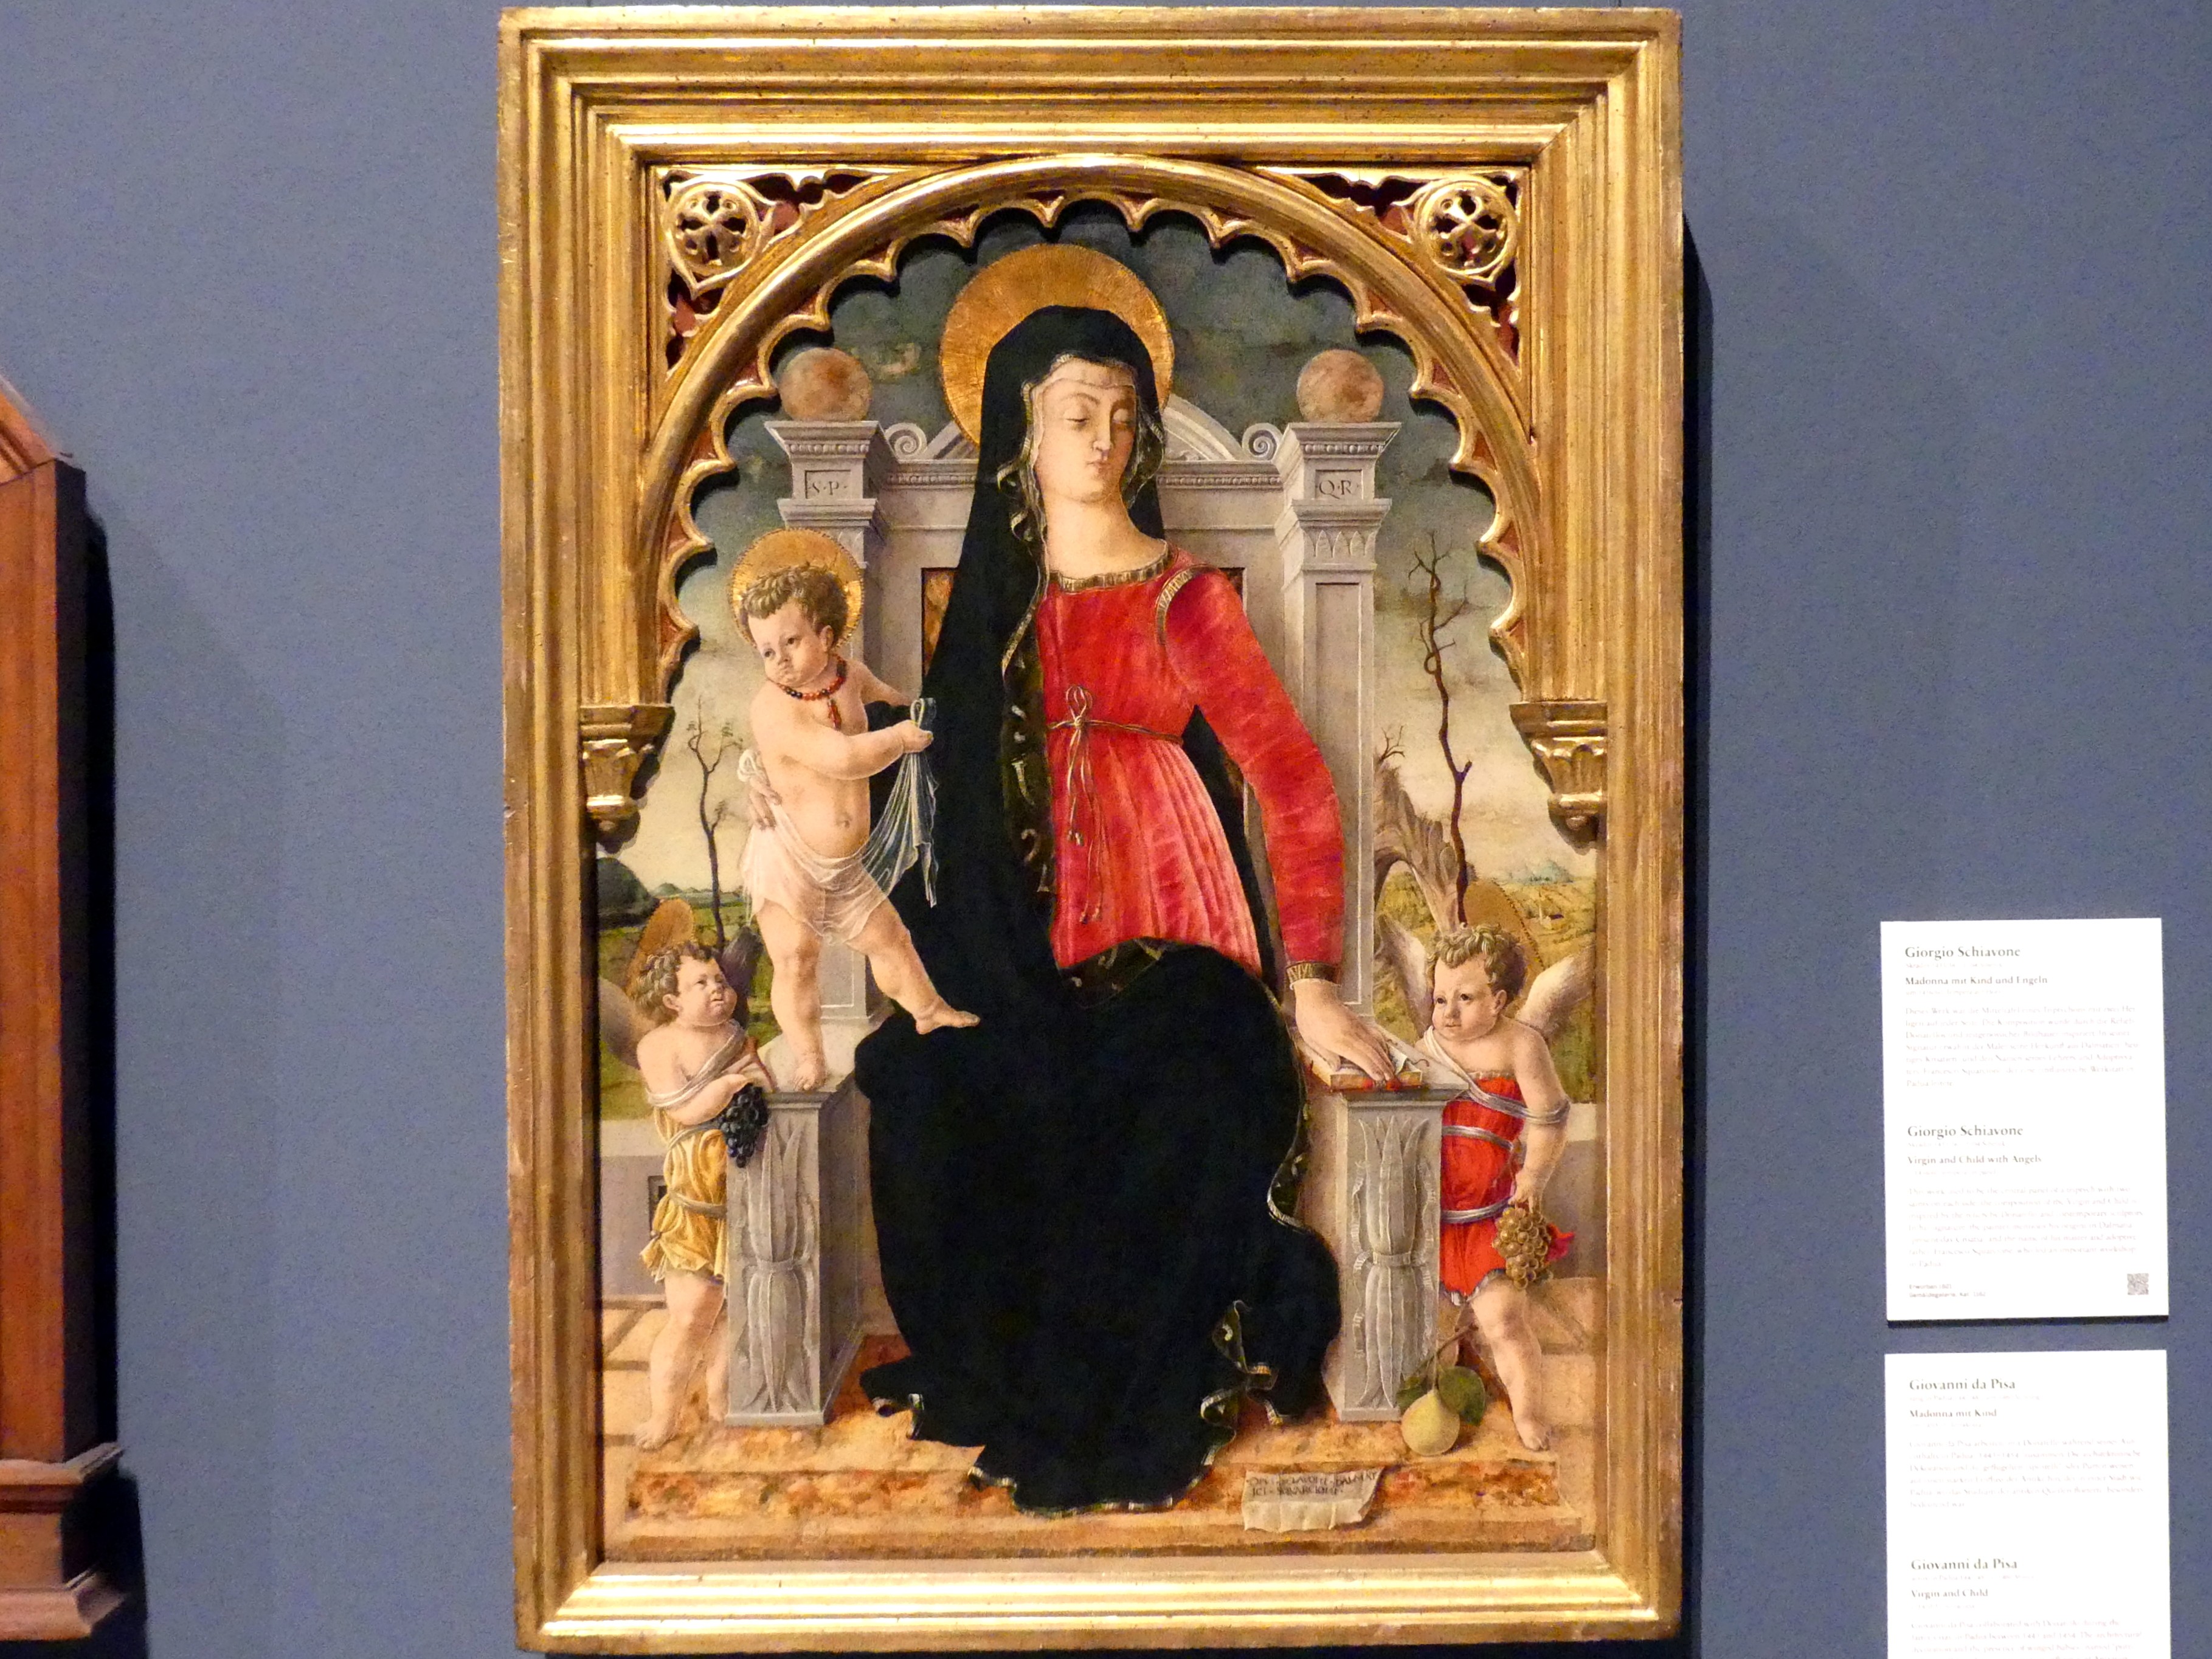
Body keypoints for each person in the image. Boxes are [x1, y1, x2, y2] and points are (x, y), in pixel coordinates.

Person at [853, 300, 1393, 1513]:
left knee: (1167, 1099)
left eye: (1119, 414)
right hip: (1015, 956)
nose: (1100, 437)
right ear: (1021, 433)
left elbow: (1290, 779)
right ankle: (1007, 1361)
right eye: (1073, 413)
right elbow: (931, 792)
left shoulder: (1180, 596)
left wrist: (1310, 980)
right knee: (934, 1087)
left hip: (1173, 939)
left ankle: (1124, 1389)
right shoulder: (993, 611)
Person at [737, 562, 977, 1090]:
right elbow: (843, 759)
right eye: (767, 651)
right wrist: (900, 740)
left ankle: (928, 1010)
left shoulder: (849, 674)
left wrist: (921, 711)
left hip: (845, 865)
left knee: (891, 938)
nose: (780, 660)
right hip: (790, 861)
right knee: (796, 959)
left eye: (791, 642)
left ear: (826, 636)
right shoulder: (772, 708)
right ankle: (808, 1054)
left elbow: (892, 699)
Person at [1417, 925, 1572, 1451]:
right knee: (1433, 1329)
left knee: (1503, 1321)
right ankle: (1434, 1411)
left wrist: (1533, 1177)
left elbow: (1550, 1119)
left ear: (1500, 1000)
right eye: (1440, 998)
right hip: (1436, 1218)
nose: (1448, 1012)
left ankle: (1529, 1411)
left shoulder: (1521, 1045)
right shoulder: (1428, 1047)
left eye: (1465, 998)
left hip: (1492, 1215)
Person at [633, 942, 776, 1450]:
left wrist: (755, 1079)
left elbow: (764, 1088)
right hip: (696, 1201)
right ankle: (663, 1415)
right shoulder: (659, 1045)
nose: (718, 989)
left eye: (720, 979)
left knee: (734, 1310)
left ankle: (722, 1402)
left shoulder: (734, 1034)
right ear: (672, 1000)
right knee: (692, 1314)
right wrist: (731, 1084)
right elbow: (688, 1111)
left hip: (741, 1190)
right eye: (702, 983)